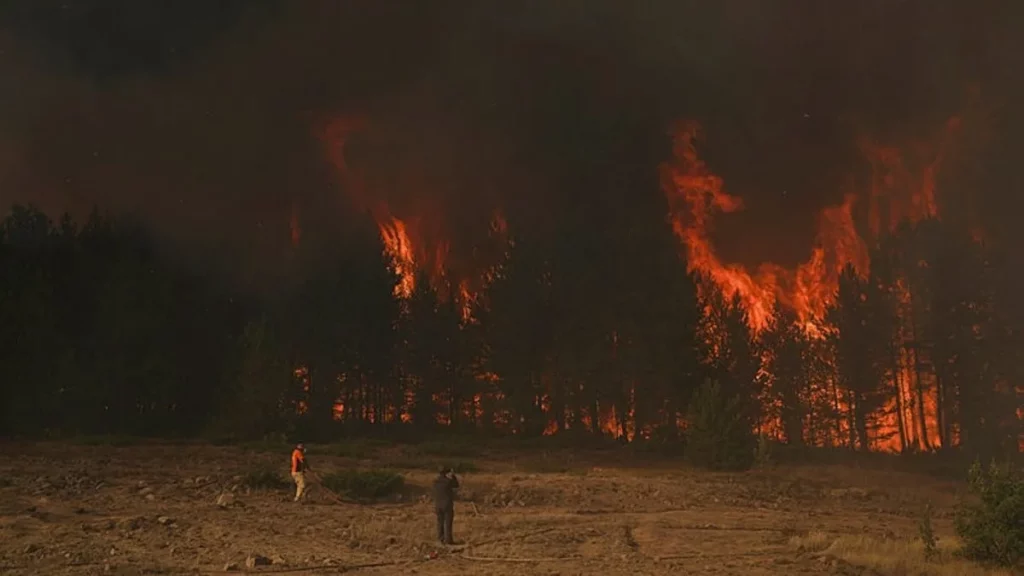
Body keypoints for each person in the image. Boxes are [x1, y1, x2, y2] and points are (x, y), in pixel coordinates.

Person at [431, 466, 459, 545]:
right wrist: (453, 475)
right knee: (448, 523)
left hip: (438, 505)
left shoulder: (435, 481)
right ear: (446, 473)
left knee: (440, 523)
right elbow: (456, 485)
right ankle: (448, 540)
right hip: (447, 505)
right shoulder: (448, 481)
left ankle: (440, 539)